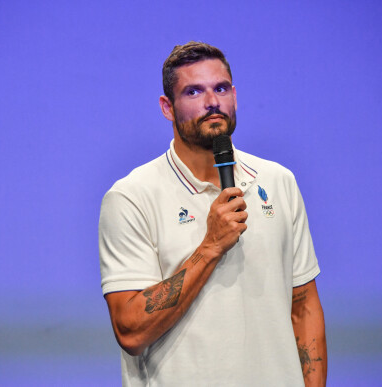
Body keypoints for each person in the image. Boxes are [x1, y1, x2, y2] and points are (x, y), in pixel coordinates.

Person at [99, 41, 327, 386]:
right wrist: (210, 247)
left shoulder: (278, 181)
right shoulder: (131, 197)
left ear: (234, 94)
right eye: (193, 92)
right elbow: (130, 331)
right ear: (167, 107)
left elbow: (304, 305)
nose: (212, 102)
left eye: (221, 89)